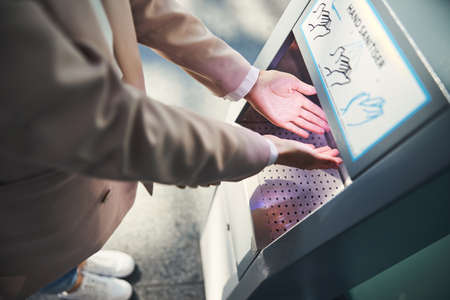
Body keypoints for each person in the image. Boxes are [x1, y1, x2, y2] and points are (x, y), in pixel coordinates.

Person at [0, 0, 341, 299]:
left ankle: (75, 262)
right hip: (27, 187)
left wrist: (248, 79)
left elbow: (137, 7)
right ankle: (60, 283)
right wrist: (263, 149)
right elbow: (114, 127)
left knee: (76, 233)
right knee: (38, 256)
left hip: (75, 172)